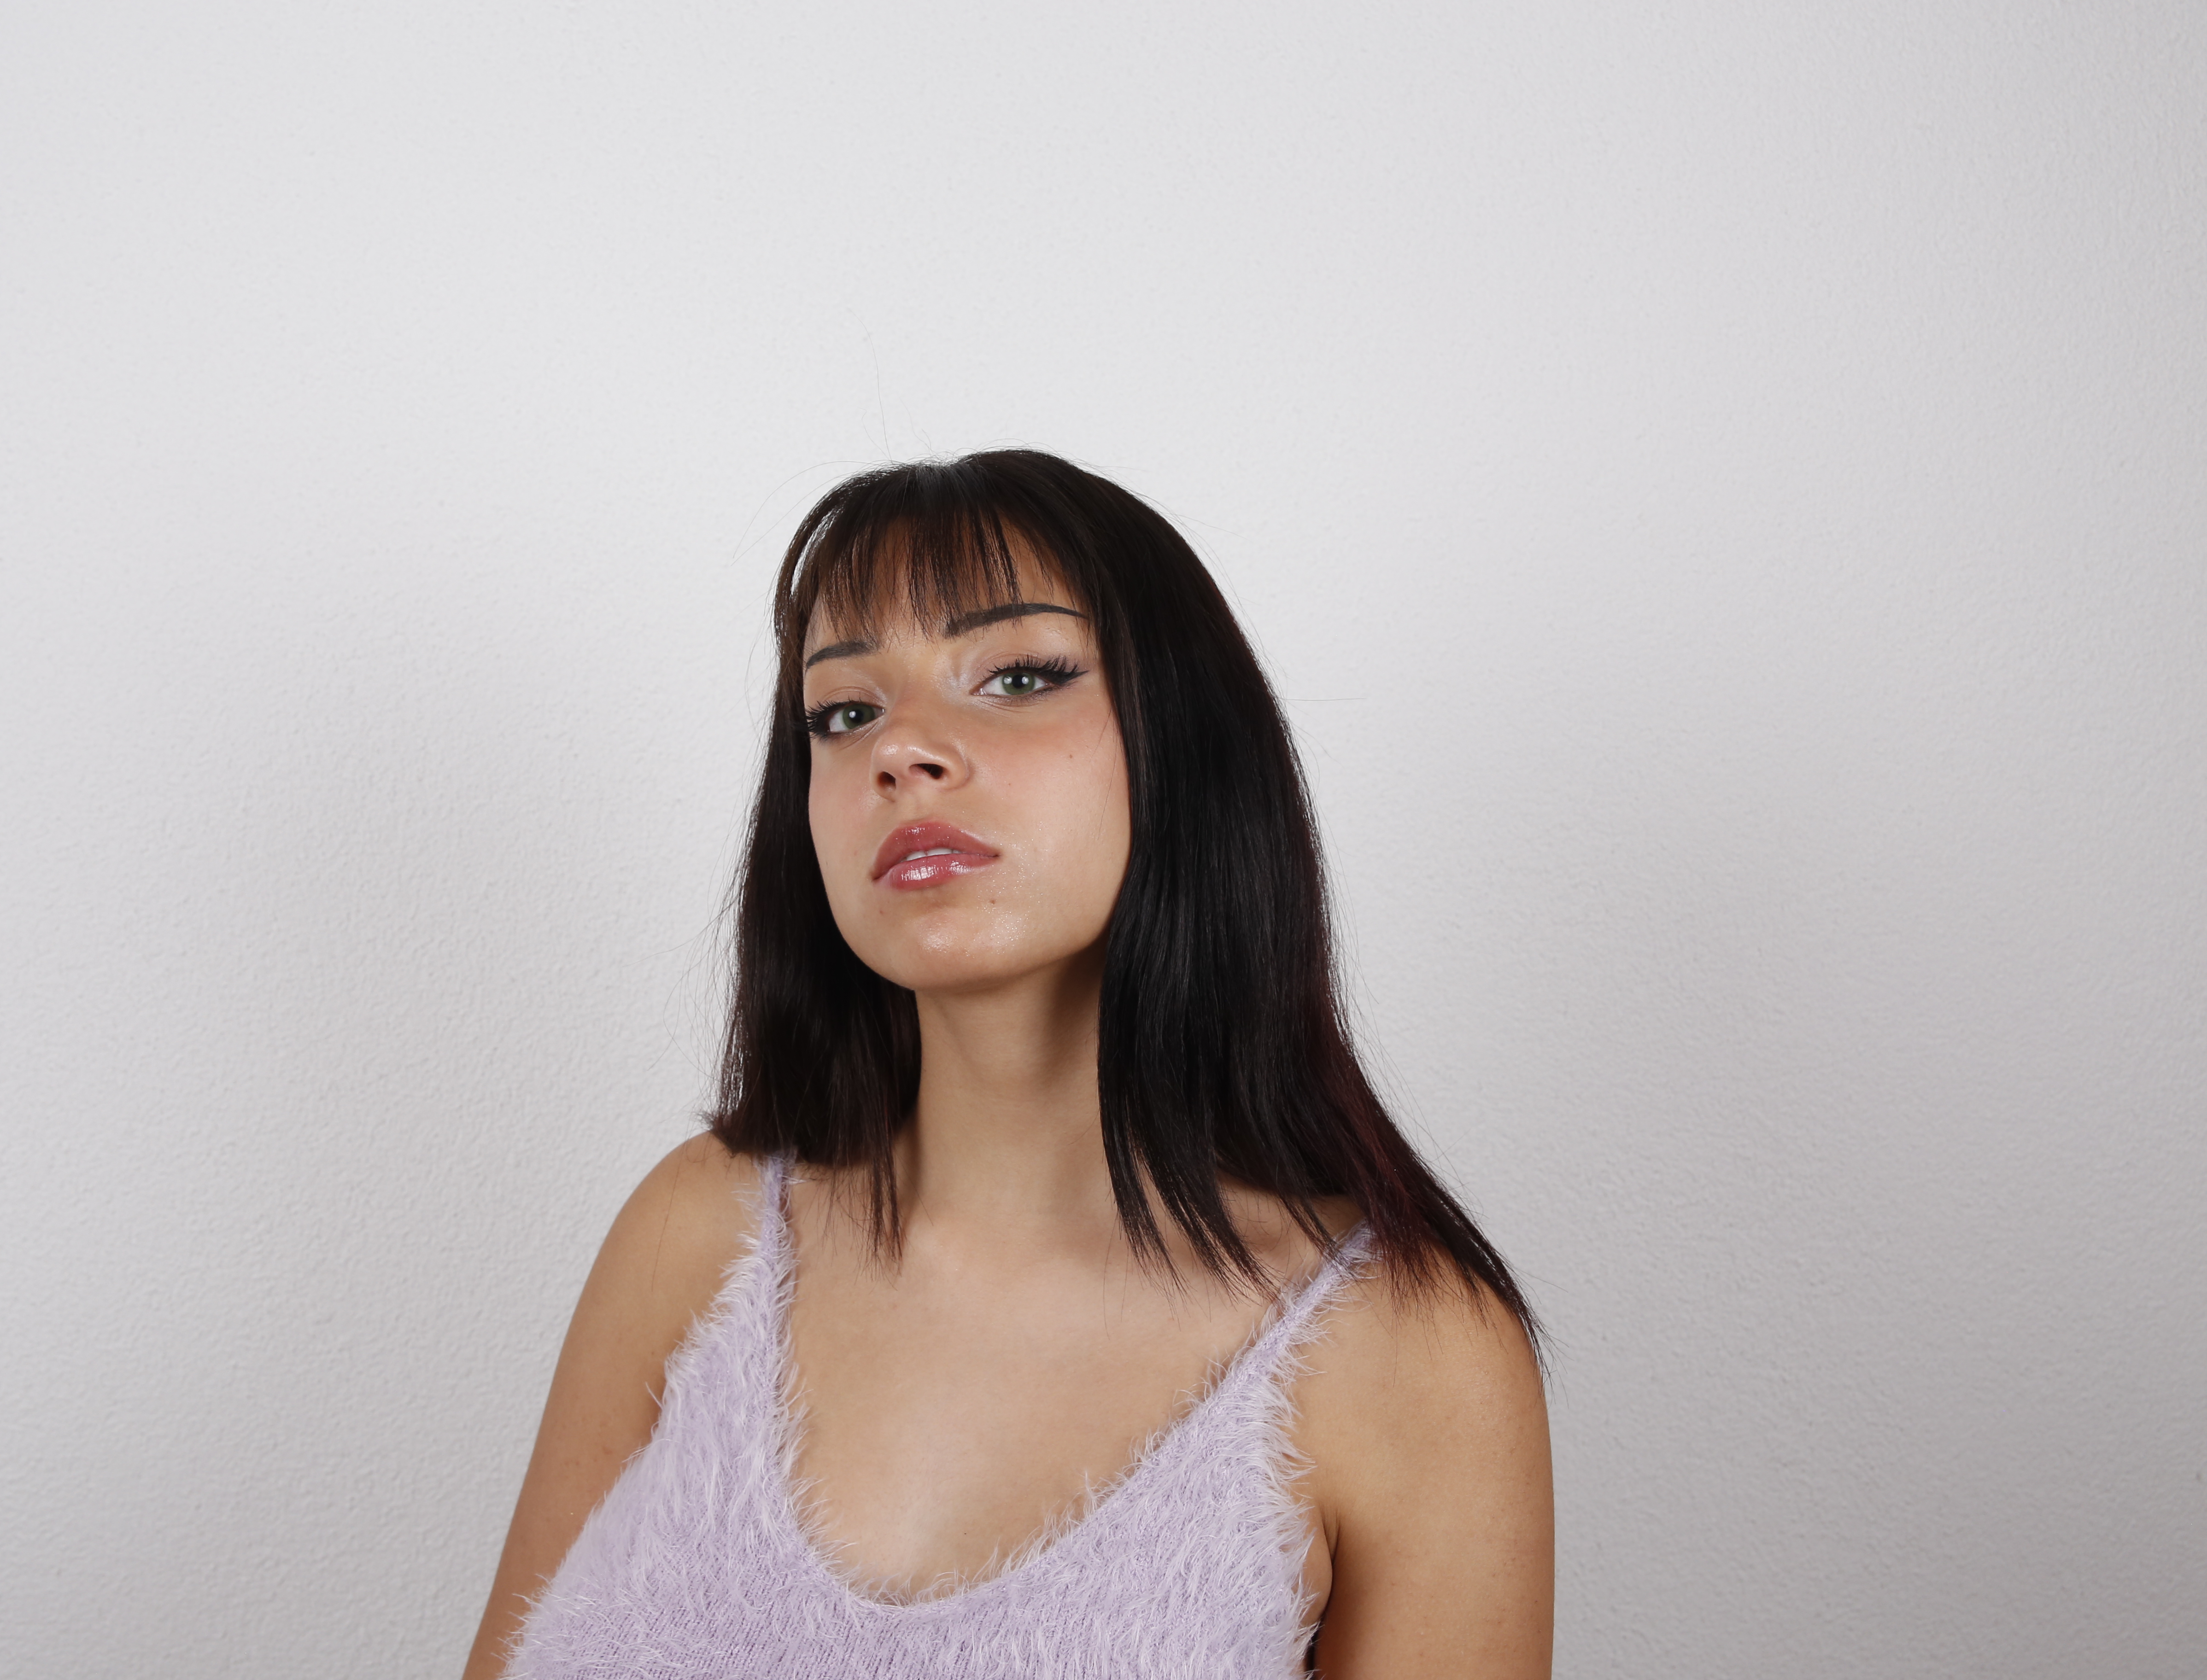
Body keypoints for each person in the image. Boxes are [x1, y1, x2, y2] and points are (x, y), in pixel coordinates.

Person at [462, 450, 1552, 1679]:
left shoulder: (1411, 1353)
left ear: (1188, 739)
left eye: (1021, 676)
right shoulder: (694, 1230)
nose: (902, 750)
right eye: (844, 713)